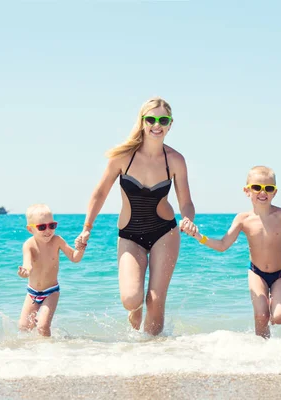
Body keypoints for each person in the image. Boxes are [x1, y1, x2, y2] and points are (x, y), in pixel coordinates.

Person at [75, 97, 196, 336]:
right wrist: (87, 227)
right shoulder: (123, 156)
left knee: (155, 300)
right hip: (130, 234)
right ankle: (135, 317)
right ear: (142, 122)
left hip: (165, 232)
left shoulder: (175, 160)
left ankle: (151, 354)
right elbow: (100, 193)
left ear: (170, 124)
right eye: (151, 119)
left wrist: (188, 219)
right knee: (132, 300)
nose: (156, 124)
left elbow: (186, 202)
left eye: (163, 120)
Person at [181, 166, 281, 338]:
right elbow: (222, 245)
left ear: (274, 192)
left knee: (280, 317)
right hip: (256, 273)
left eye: (268, 188)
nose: (262, 192)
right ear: (247, 190)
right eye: (257, 187)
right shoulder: (243, 219)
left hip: (280, 274)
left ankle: (271, 309)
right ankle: (260, 353)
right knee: (261, 315)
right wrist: (198, 236)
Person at [18, 203, 85, 336]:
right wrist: (24, 272)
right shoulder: (29, 245)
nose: (48, 230)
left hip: (51, 291)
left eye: (52, 225)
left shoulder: (57, 241)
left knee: (42, 326)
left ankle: (49, 352)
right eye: (42, 227)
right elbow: (28, 265)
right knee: (23, 327)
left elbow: (74, 257)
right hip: (32, 292)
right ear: (30, 229)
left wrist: (81, 248)